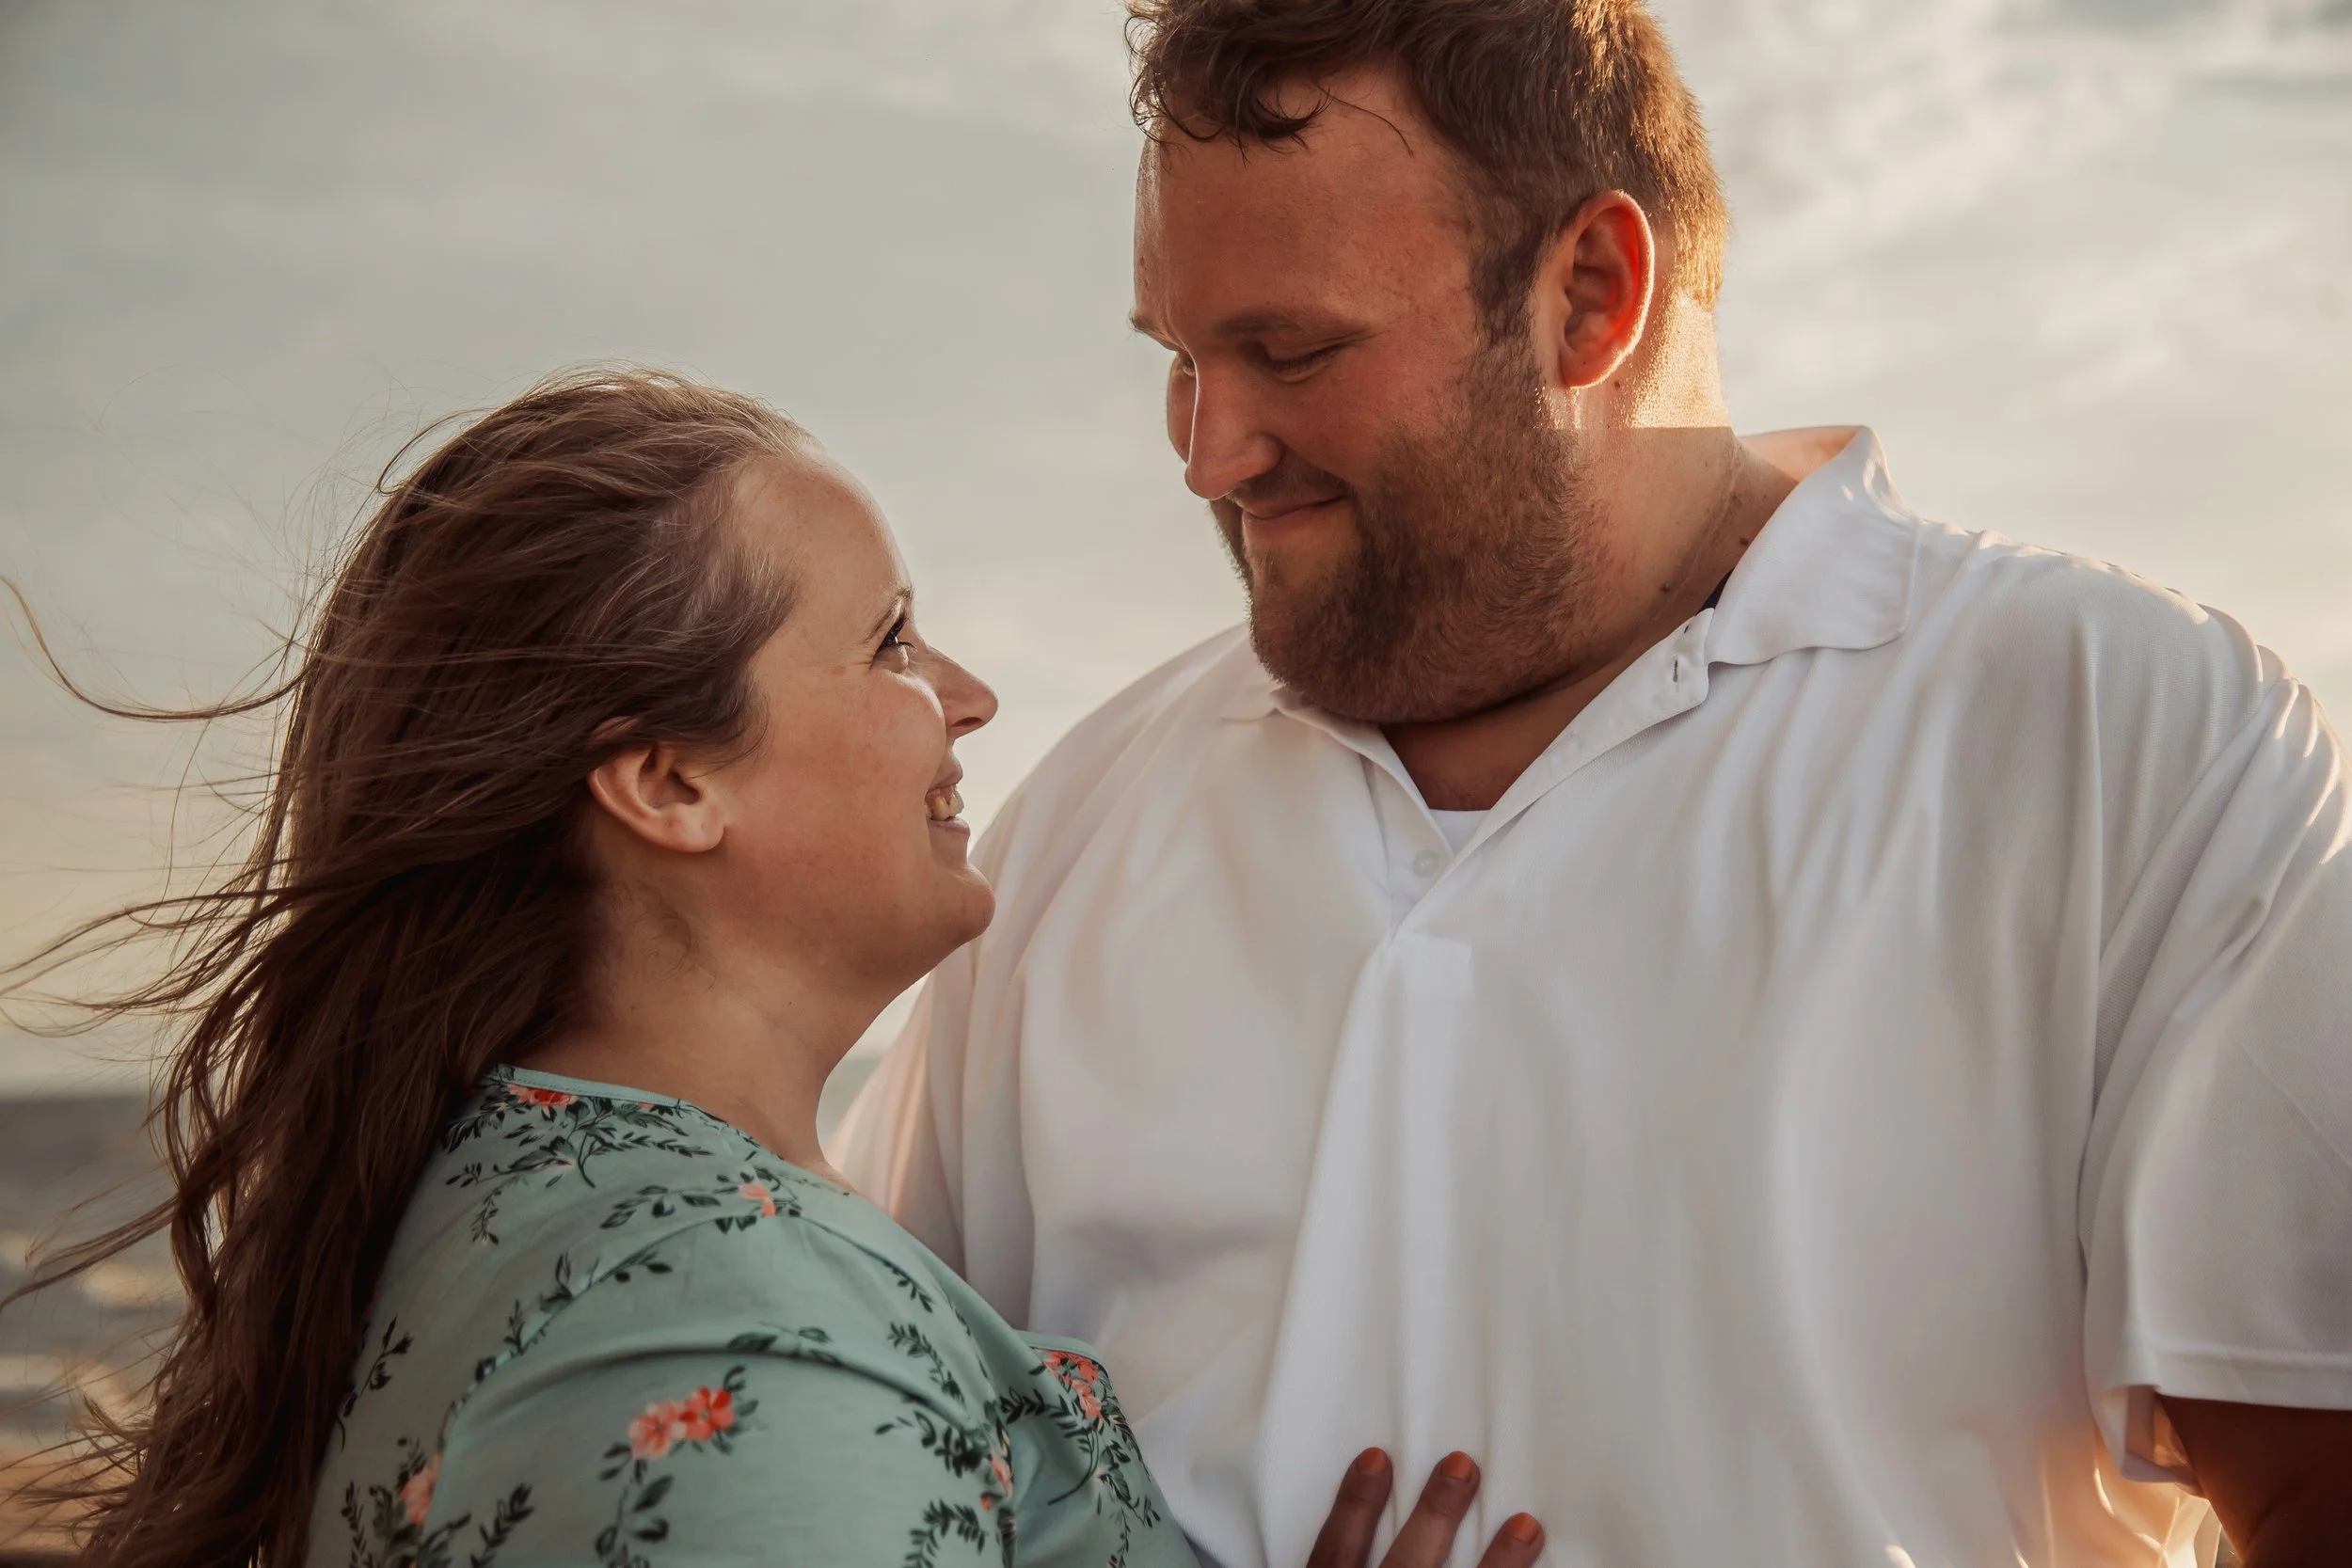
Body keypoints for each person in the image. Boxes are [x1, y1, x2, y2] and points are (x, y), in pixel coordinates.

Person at [834, 3, 2352, 1565]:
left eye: (1290, 352)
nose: (1209, 454)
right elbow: (854, 1468)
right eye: (1181, 358)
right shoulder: (1076, 826)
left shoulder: (2127, 737)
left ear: (1593, 293)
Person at [1, 370, 1546, 1568]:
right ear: (670, 780)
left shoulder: (529, 1205)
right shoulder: (725, 1323)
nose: (969, 695)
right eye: (891, 642)